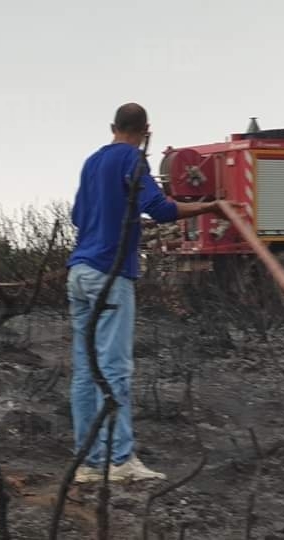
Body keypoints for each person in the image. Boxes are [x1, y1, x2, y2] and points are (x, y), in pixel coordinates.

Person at [68, 102, 243, 483]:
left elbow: (77, 217)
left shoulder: (91, 162)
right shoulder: (132, 158)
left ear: (112, 126)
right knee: (113, 367)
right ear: (147, 131)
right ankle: (120, 461)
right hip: (108, 274)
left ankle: (88, 462)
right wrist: (213, 205)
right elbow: (159, 209)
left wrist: (116, 222)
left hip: (78, 273)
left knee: (85, 369)